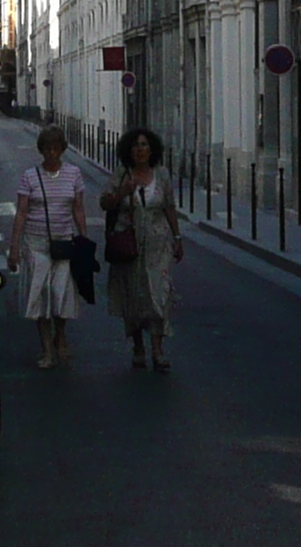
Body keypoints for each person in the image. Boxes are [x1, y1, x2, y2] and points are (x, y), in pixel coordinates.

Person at [102, 126, 186, 370]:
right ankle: (138, 346)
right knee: (134, 298)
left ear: (152, 149)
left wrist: (177, 237)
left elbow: (169, 206)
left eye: (144, 145)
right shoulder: (122, 174)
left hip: (158, 246)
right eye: (136, 145)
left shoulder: (162, 175)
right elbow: (105, 203)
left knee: (159, 294)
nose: (140, 150)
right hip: (129, 246)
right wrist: (122, 192)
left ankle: (158, 350)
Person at [10, 124, 89, 370]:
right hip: (35, 243)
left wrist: (84, 239)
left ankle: (61, 333)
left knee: (60, 293)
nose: (52, 153)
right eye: (47, 148)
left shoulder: (73, 174)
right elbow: (21, 212)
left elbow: (78, 207)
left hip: (64, 241)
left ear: (63, 149)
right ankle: (46, 347)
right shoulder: (30, 176)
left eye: (56, 148)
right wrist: (14, 247)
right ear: (41, 150)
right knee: (40, 294)